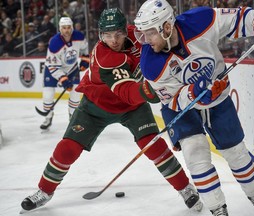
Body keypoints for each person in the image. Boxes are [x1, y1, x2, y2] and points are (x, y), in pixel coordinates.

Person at [20, 8, 203, 213]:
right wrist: (155, 89)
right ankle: (44, 191)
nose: (113, 40)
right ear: (100, 35)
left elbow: (166, 38)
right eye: (107, 35)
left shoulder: (139, 34)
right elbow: (127, 92)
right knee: (67, 148)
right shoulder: (105, 56)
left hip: (132, 108)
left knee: (153, 145)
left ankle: (185, 188)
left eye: (118, 34)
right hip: (96, 106)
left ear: (126, 30)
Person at [134, 0, 254, 215]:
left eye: (150, 33)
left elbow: (237, 18)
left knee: (236, 151)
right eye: (143, 34)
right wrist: (195, 94)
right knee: (195, 153)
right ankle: (217, 209)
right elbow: (172, 100)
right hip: (181, 109)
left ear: (167, 27)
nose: (146, 41)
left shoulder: (199, 21)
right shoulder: (150, 63)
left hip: (218, 98)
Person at [40, 16, 89, 130]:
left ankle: (73, 118)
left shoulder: (79, 37)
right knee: (48, 95)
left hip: (71, 69)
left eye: (68, 28)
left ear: (72, 27)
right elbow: (53, 66)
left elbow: (84, 49)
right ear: (60, 29)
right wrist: (63, 79)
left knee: (76, 93)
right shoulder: (54, 43)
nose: (66, 30)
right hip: (52, 69)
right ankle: (48, 117)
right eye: (64, 28)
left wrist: (85, 60)